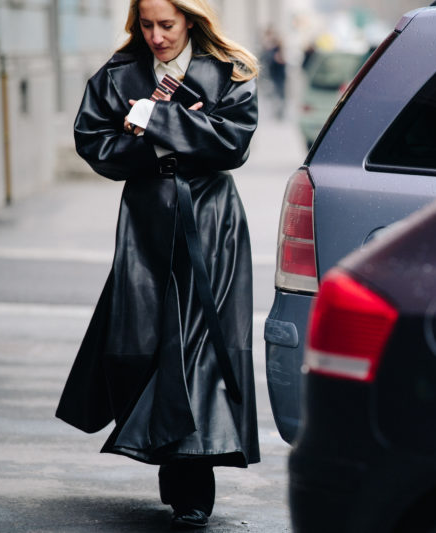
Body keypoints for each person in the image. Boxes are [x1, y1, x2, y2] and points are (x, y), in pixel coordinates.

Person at [55, 0, 260, 528]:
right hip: (146, 222)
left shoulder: (226, 72)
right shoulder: (118, 75)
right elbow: (94, 143)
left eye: (166, 24)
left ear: (191, 19)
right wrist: (151, 139)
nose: (156, 36)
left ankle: (193, 481)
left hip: (211, 224)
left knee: (198, 351)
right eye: (145, 25)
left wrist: (154, 120)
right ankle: (173, 466)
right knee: (142, 343)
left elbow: (233, 144)